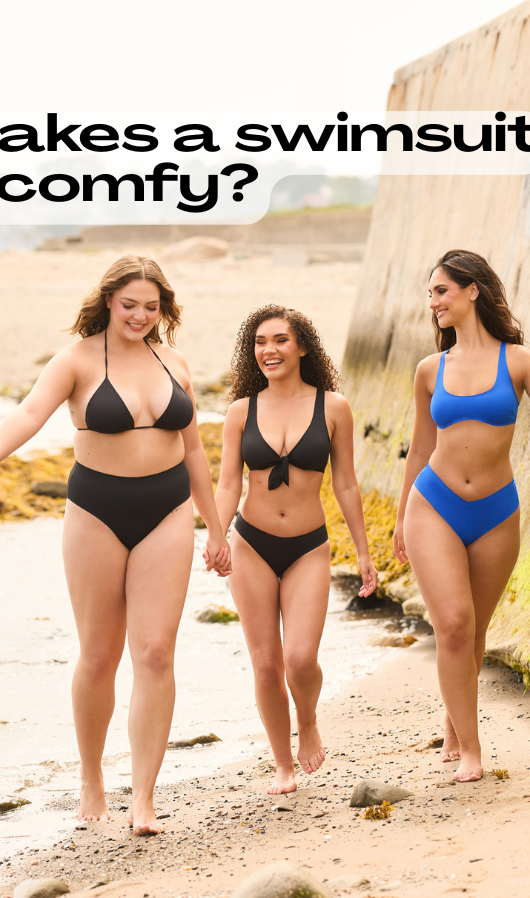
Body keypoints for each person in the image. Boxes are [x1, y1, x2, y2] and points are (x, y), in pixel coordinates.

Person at [0, 255, 229, 834]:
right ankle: (92, 778)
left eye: (151, 307)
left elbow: (193, 448)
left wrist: (216, 528)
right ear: (108, 301)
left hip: (168, 510)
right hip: (97, 510)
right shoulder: (75, 360)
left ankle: (143, 796)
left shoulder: (173, 362)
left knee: (156, 653)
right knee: (99, 654)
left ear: (163, 309)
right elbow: (30, 411)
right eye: (129, 305)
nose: (140, 316)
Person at [394, 249, 530, 782]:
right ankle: (470, 750)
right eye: (430, 294)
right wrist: (399, 519)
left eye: (441, 291)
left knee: (476, 629)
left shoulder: (519, 361)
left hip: (496, 511)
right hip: (433, 503)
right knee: (453, 624)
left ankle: (454, 716)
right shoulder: (430, 369)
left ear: (472, 290)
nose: (433, 302)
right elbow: (419, 450)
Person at [214, 305, 378, 794]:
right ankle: (282, 764)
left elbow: (345, 484)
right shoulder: (240, 412)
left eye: (280, 340)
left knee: (301, 659)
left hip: (309, 546)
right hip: (251, 543)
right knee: (267, 665)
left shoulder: (334, 407)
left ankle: (307, 720)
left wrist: (363, 553)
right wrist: (215, 536)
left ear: (302, 347)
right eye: (260, 342)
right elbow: (228, 484)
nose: (269, 350)